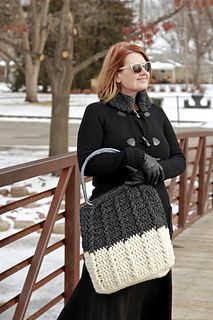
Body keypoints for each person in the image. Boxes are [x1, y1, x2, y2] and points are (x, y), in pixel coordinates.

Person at [57, 41, 186, 320]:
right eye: (136, 67)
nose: (144, 72)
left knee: (153, 284)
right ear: (117, 74)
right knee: (112, 289)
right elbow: (88, 161)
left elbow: (179, 159)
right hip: (115, 216)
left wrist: (157, 169)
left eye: (146, 66)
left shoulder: (157, 113)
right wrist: (133, 157)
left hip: (155, 214)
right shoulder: (97, 112)